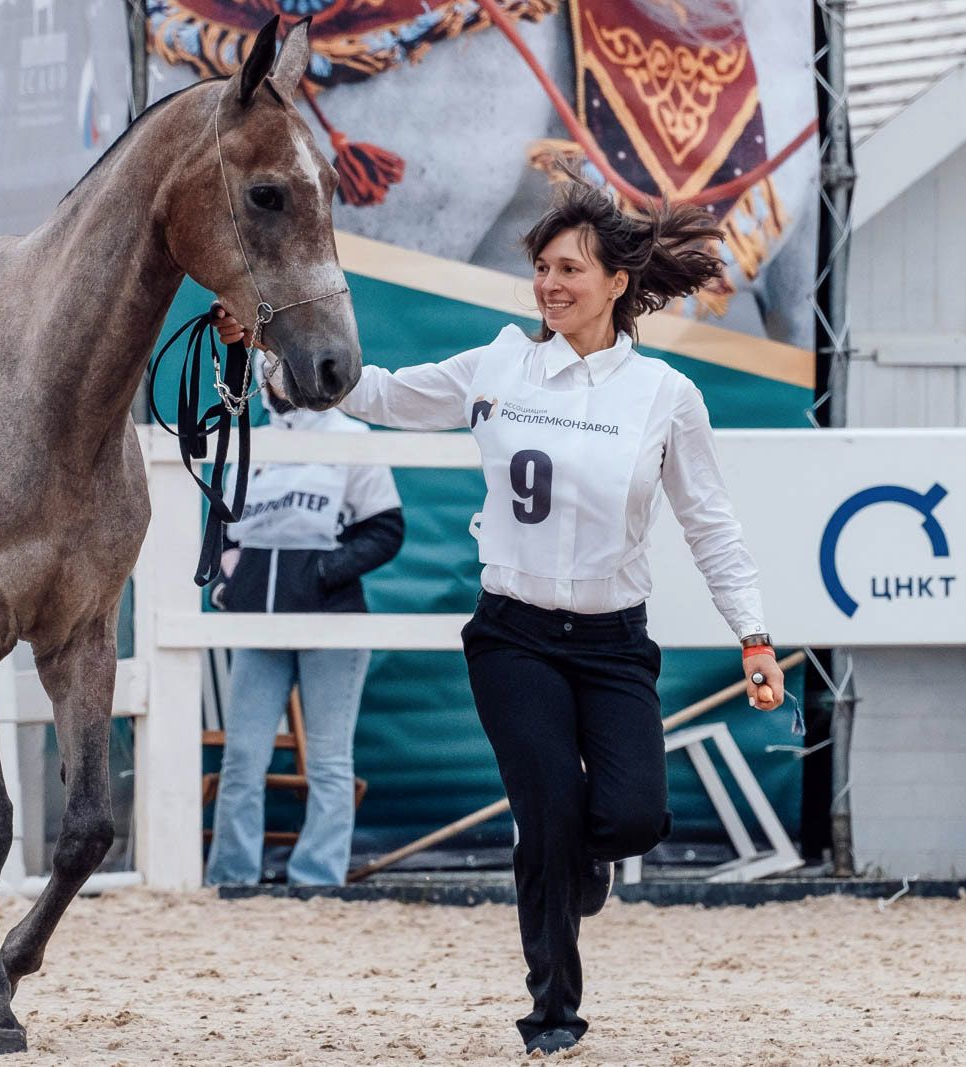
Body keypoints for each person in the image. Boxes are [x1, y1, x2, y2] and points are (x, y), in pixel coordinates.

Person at [212, 179, 784, 1055]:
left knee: (630, 818)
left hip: (613, 640)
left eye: (569, 269)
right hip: (513, 633)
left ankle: (579, 863)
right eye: (542, 268)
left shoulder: (664, 396)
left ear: (617, 284)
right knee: (548, 812)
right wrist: (265, 352)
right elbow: (377, 395)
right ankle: (552, 1010)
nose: (550, 284)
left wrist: (752, 633)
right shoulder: (498, 365)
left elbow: (711, 522)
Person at [206, 352, 404, 887]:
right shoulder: (253, 441)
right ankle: (231, 878)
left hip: (332, 622)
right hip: (259, 625)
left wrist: (320, 572)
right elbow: (225, 530)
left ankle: (316, 880)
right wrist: (234, 579)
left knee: (329, 761)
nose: (279, 381)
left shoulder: (351, 437)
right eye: (270, 370)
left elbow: (386, 529)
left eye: (288, 370)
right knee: (243, 759)